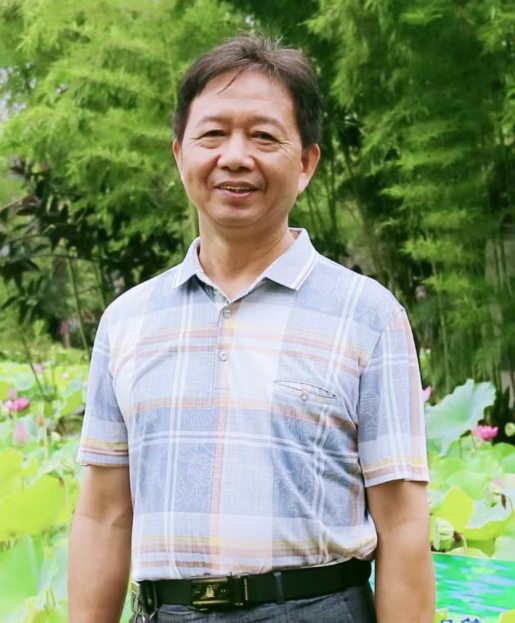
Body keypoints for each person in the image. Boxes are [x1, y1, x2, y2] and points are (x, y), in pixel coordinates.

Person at [69, 34, 435, 623]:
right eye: (213, 134)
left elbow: (404, 525)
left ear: (307, 162)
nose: (235, 157)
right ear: (179, 155)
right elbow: (104, 515)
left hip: (316, 608)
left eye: (264, 136)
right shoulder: (128, 321)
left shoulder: (369, 315)